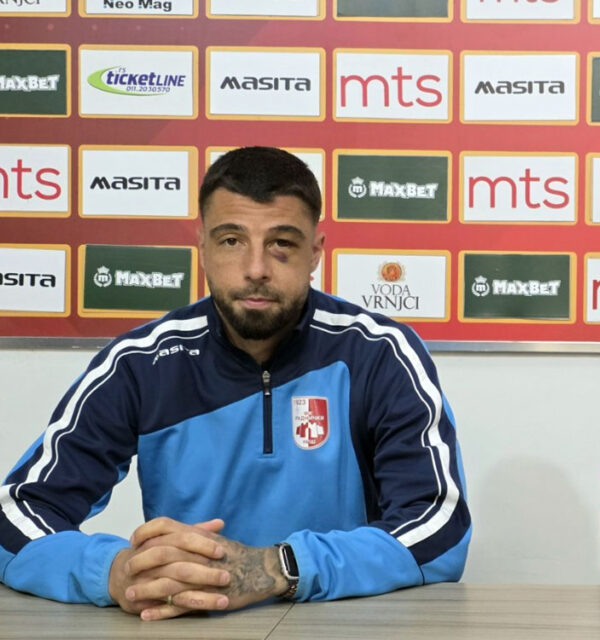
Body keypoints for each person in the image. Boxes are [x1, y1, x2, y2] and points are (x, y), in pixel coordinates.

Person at [0, 146, 471, 620]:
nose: (256, 268)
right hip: (187, 627)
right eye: (231, 241)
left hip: (339, 625)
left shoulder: (378, 353)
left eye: (281, 243)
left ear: (315, 252)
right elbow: (15, 517)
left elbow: (439, 529)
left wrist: (280, 567)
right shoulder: (141, 364)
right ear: (202, 247)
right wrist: (114, 570)